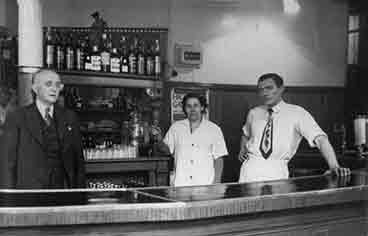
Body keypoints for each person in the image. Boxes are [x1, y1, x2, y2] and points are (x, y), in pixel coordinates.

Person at [238, 73, 350, 183]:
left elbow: (320, 139)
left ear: (281, 89)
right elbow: (246, 134)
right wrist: (242, 149)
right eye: (260, 89)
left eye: (269, 88)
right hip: (249, 170)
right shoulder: (254, 113)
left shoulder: (297, 113)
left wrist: (334, 165)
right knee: (245, 201)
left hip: (276, 171)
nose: (264, 93)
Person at [0, 69, 85, 189]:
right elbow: (7, 163)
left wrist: (79, 195)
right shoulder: (17, 117)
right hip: (30, 193)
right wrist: (8, 200)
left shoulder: (70, 117)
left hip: (62, 191)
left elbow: (78, 163)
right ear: (35, 88)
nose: (54, 89)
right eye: (48, 84)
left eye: (57, 85)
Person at [156, 93, 228, 187]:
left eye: (196, 105)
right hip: (180, 183)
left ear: (202, 107)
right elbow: (167, 150)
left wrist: (216, 183)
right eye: (189, 106)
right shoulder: (176, 127)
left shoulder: (214, 129)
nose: (192, 109)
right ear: (185, 109)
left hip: (205, 185)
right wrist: (159, 139)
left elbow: (219, 158)